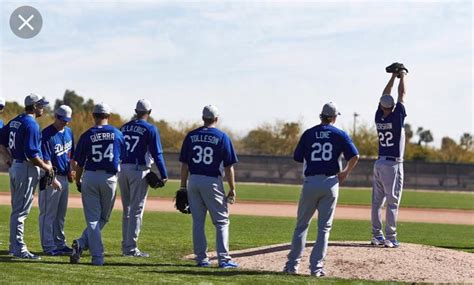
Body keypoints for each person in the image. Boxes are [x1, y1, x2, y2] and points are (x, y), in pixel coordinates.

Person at [284, 102, 359, 277]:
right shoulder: (340, 134)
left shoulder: (309, 133)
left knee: (301, 226)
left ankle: (292, 266)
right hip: (331, 182)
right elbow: (355, 156)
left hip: (310, 182)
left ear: (321, 116)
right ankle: (315, 269)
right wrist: (345, 173)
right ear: (334, 117)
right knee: (324, 229)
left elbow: (297, 157)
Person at [179, 105, 238, 268]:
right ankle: (224, 259)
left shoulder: (191, 136)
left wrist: (183, 186)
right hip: (212, 180)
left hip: (194, 180)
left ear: (203, 118)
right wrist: (232, 188)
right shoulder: (222, 137)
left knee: (198, 222)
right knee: (221, 222)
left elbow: (184, 165)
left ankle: (201, 259)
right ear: (216, 119)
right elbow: (228, 167)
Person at [70, 103, 125, 265]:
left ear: (93, 116)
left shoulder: (87, 135)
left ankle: (82, 244)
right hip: (109, 179)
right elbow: (122, 156)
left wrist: (78, 180)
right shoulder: (117, 133)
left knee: (93, 219)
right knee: (103, 218)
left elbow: (79, 163)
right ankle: (97, 256)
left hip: (90, 177)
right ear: (108, 116)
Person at [0, 93, 53, 259]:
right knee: (21, 211)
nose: (43, 108)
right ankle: (19, 249)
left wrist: (9, 159)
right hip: (26, 168)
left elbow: (1, 141)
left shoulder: (16, 120)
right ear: (35, 106)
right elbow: (31, 154)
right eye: (41, 105)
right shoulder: (31, 124)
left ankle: (13, 245)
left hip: (16, 166)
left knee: (17, 209)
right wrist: (46, 167)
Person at [118, 99, 168, 257]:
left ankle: (126, 245)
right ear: (150, 112)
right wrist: (164, 174)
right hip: (139, 170)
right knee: (136, 211)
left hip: (123, 168)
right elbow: (157, 153)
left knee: (127, 210)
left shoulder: (124, 127)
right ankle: (131, 248)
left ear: (135, 111)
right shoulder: (150, 128)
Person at [371, 65, 408, 248]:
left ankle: (376, 235)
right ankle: (391, 237)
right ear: (392, 107)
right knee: (392, 202)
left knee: (377, 202)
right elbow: (402, 95)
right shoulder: (396, 117)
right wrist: (402, 76)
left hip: (379, 162)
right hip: (393, 165)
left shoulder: (379, 116)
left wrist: (393, 77)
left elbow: (385, 95)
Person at [38, 105, 75, 256]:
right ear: (56, 116)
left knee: (61, 214)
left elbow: (70, 155)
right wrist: (52, 179)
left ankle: (60, 243)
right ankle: (48, 246)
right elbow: (46, 160)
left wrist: (72, 170)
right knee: (48, 214)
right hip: (50, 177)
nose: (65, 123)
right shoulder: (47, 134)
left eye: (67, 120)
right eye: (62, 120)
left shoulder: (69, 132)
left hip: (64, 177)